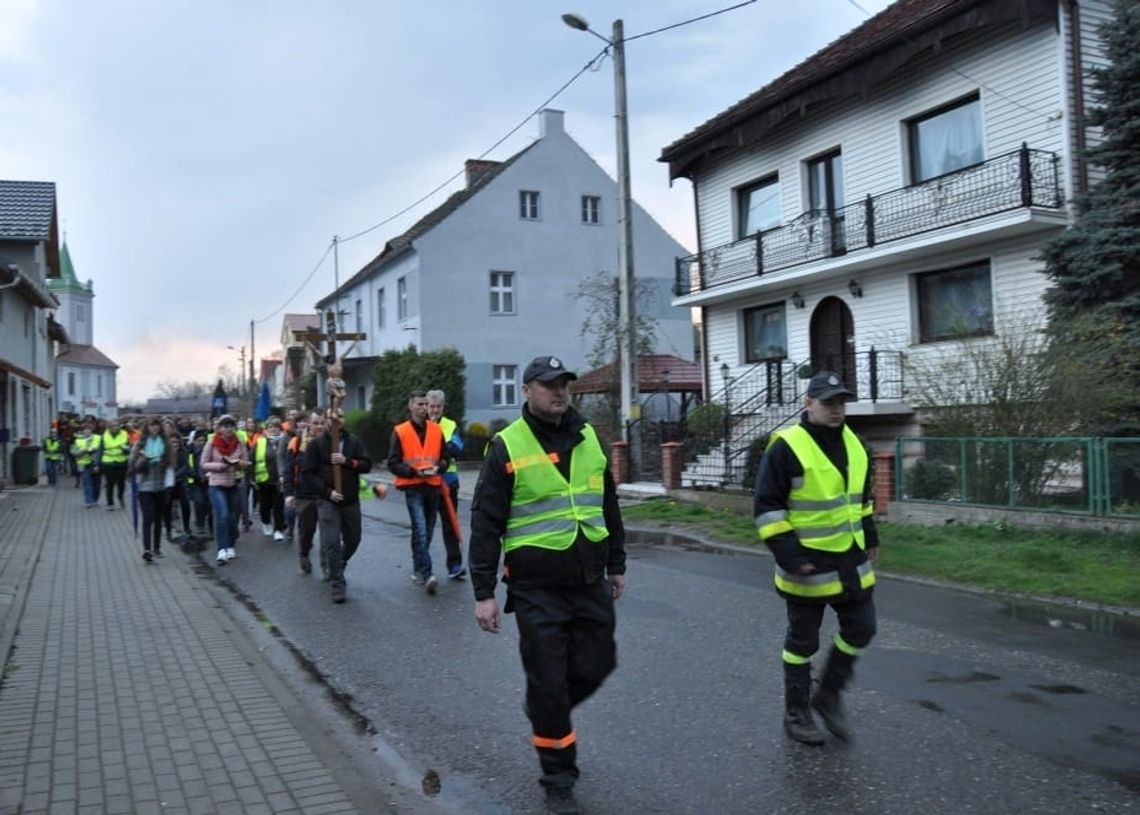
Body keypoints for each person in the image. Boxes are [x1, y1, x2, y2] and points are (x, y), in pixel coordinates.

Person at [470, 356, 626, 815]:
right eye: (548, 385)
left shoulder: (591, 438)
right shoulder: (506, 445)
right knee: (549, 682)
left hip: (588, 578)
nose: (559, 392)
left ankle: (545, 707)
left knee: (599, 663)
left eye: (564, 385)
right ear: (527, 390)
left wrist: (617, 562)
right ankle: (558, 773)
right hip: (536, 588)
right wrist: (483, 593)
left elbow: (608, 504)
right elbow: (486, 524)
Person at [753, 370, 879, 746]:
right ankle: (796, 712)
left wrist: (870, 534)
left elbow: (861, 499)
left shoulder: (855, 444)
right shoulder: (786, 447)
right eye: (828, 402)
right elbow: (767, 507)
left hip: (850, 560)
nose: (837, 409)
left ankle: (827, 696)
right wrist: (791, 556)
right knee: (802, 643)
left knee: (862, 628)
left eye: (841, 402)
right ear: (808, 404)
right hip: (806, 565)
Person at [301, 410, 373, 603]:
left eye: (340, 417)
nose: (336, 421)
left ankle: (338, 563)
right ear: (326, 421)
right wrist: (327, 492)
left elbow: (367, 464)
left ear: (344, 420)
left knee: (354, 540)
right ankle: (338, 584)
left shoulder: (354, 442)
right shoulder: (317, 445)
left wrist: (348, 461)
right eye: (332, 418)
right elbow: (307, 474)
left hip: (350, 501)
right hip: (328, 502)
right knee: (331, 542)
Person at [387, 390, 452, 595]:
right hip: (413, 485)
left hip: (432, 484)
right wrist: (413, 471)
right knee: (421, 528)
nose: (424, 408)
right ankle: (428, 572)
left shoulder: (435, 430)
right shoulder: (400, 431)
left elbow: (445, 457)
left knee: (427, 531)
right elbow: (392, 462)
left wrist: (439, 468)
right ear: (411, 406)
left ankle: (418, 567)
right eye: (420, 404)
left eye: (426, 404)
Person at [426, 389, 466, 580]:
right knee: (425, 526)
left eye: (438, 406)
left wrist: (439, 446)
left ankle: (455, 565)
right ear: (426, 406)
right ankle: (422, 566)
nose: (435, 410)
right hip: (425, 482)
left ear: (443, 407)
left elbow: (457, 448)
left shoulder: (450, 425)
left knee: (450, 525)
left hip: (448, 482)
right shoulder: (419, 425)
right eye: (432, 406)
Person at [200, 414, 250, 565]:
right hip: (216, 484)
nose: (228, 429)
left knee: (233, 516)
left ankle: (230, 545)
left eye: (231, 426)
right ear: (219, 428)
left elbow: (246, 462)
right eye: (225, 426)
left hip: (233, 483)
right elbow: (203, 463)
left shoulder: (239, 443)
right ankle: (222, 549)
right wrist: (220, 466)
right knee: (222, 514)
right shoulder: (211, 443)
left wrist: (238, 464)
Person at [282, 411, 324, 575]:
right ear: (309, 424)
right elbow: (288, 469)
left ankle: (327, 563)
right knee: (307, 531)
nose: (319, 427)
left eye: (322, 423)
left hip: (325, 494)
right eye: (315, 423)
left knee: (328, 533)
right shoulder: (297, 442)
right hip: (304, 495)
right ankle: (304, 554)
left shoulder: (330, 442)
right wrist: (289, 493)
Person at [129, 418, 175, 562]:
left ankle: (157, 547)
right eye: (151, 425)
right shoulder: (140, 444)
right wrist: (143, 459)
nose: (154, 428)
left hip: (161, 486)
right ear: (147, 427)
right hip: (145, 486)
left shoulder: (166, 445)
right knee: (148, 518)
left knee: (157, 518)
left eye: (156, 425)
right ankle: (147, 549)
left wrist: (169, 483)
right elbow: (133, 467)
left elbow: (171, 465)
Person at [251, 416, 287, 540]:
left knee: (279, 506)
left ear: (280, 428)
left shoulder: (284, 441)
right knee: (264, 506)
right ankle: (266, 523)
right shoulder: (260, 442)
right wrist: (252, 478)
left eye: (276, 427)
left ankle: (278, 529)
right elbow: (252, 460)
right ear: (266, 429)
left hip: (279, 481)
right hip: (263, 480)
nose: (273, 429)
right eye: (270, 427)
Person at [100, 418, 131, 510]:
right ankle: (110, 503)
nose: (115, 427)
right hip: (108, 462)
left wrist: (126, 450)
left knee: (121, 483)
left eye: (117, 425)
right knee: (110, 484)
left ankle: (120, 498)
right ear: (109, 427)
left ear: (119, 426)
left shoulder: (124, 434)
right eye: (113, 426)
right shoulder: (104, 435)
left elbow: (129, 446)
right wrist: (97, 464)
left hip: (121, 462)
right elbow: (100, 450)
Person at [71, 420, 102, 507]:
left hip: (95, 463)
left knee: (96, 483)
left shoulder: (98, 438)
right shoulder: (78, 440)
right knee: (86, 483)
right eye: (85, 429)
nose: (87, 431)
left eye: (89, 429)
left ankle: (95, 500)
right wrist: (81, 451)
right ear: (82, 431)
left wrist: (94, 453)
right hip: (83, 464)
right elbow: (73, 451)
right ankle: (88, 501)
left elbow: (100, 450)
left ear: (92, 430)